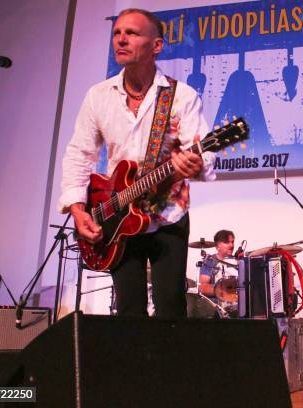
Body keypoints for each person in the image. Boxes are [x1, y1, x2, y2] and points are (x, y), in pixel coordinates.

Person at [58, 8, 215, 318]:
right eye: (117, 33)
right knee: (128, 311)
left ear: (156, 45)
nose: (121, 39)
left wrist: (191, 166)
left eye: (131, 33)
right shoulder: (98, 96)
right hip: (116, 217)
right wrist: (78, 211)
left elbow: (204, 154)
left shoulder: (180, 96)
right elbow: (79, 154)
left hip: (166, 214)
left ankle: (169, 367)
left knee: (170, 307)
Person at [199, 230, 236, 303]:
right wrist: (224, 290)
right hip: (218, 307)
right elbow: (202, 287)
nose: (231, 245)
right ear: (217, 246)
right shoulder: (210, 261)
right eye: (227, 242)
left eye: (232, 242)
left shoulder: (237, 261)